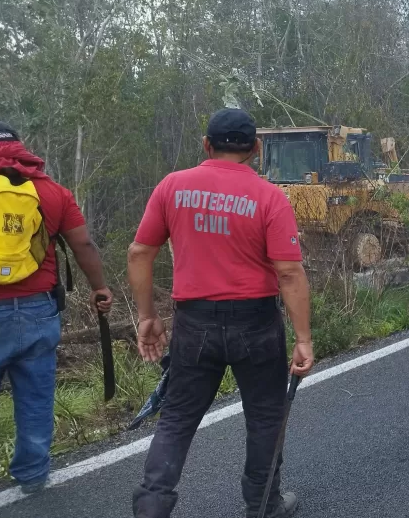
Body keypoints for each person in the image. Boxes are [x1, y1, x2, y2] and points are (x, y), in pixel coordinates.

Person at [128, 108, 314, 518]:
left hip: (194, 324)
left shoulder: (172, 187)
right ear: (257, 149)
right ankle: (263, 504)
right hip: (257, 323)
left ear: (206, 145)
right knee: (265, 416)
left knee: (176, 419)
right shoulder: (270, 196)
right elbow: (288, 272)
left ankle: (152, 507)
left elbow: (140, 252)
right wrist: (303, 338)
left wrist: (147, 316)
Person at [0, 122, 112, 516]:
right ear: (21, 149)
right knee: (35, 396)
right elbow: (82, 243)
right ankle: (34, 474)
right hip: (37, 310)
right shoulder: (52, 191)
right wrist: (99, 287)